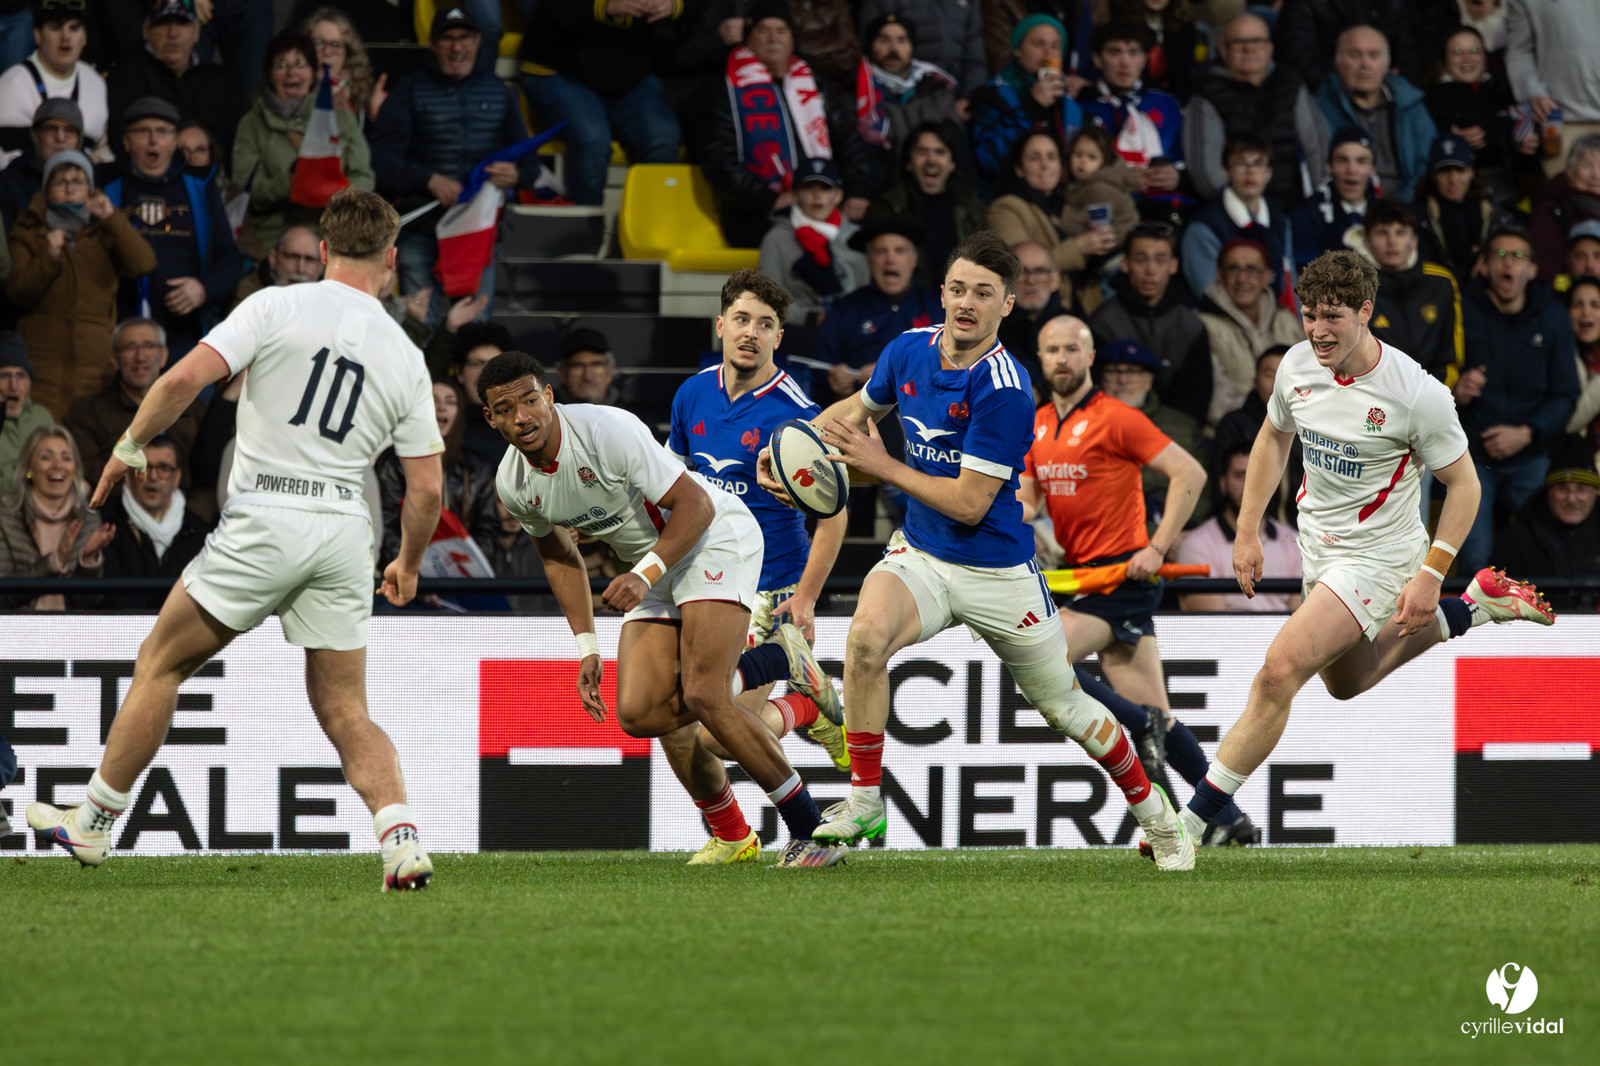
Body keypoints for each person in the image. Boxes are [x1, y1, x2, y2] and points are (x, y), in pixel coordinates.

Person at [26, 188, 447, 891]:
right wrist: (406, 562)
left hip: (267, 518)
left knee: (160, 661)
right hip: (346, 529)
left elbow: (187, 377)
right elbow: (427, 490)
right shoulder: (406, 353)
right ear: (392, 258)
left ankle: (94, 822)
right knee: (346, 708)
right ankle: (399, 835)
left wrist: (130, 445)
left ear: (322, 249)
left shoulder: (275, 304)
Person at [767, 232, 1195, 869]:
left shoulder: (1007, 388)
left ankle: (1159, 817)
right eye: (958, 289)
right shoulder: (905, 351)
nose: (967, 302)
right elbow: (850, 415)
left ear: (1007, 306)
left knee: (1065, 707)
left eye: (984, 294)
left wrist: (881, 464)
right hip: (923, 555)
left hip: (998, 571)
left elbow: (969, 503)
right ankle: (864, 799)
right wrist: (791, 449)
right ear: (941, 293)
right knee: (863, 641)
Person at [1172, 250, 1556, 862]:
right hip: (1319, 551)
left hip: (1381, 557)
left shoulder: (1416, 393)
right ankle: (1472, 610)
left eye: (1332, 317)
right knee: (1346, 684)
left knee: (1278, 672)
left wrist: (1430, 574)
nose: (1317, 330)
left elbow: (1466, 486)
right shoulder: (1297, 365)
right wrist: (1247, 529)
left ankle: (1189, 828)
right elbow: (1273, 437)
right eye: (1309, 315)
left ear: (1365, 313)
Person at [484, 346, 849, 869]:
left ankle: (812, 833)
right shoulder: (513, 484)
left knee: (706, 697)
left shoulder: (606, 430)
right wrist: (586, 646)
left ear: (549, 396)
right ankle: (778, 662)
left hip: (713, 538)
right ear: (490, 417)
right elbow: (558, 557)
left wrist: (642, 574)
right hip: (652, 565)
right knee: (639, 714)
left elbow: (696, 505)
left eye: (528, 400)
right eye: (504, 408)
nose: (521, 417)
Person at [1019, 314, 1261, 846]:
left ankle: (1143, 731)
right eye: (1051, 350)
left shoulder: (1117, 417)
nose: (1061, 358)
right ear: (1041, 358)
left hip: (1123, 576)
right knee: (1163, 722)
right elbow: (1028, 501)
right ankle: (1227, 822)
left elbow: (1190, 473)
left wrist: (1156, 545)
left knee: (1039, 664)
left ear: (1089, 358)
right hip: (1089, 578)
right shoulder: (1036, 423)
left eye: (1071, 349)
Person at [663, 270, 851, 862]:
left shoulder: (798, 416)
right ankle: (733, 835)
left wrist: (808, 598)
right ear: (720, 325)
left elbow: (836, 514)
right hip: (701, 580)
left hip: (769, 587)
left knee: (716, 735)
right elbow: (671, 486)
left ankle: (800, 701)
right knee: (670, 724)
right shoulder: (691, 393)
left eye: (765, 324)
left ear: (779, 338)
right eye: (741, 320)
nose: (751, 332)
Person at [367, 6, 539, 326]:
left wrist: (515, 175)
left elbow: (529, 165)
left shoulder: (499, 93)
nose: (457, 47)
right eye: (448, 38)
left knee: (475, 325)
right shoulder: (409, 90)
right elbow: (380, 161)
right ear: (432, 43)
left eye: (464, 38)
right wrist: (428, 179)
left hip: (477, 232)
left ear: (478, 42)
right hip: (421, 230)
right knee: (419, 324)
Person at [688, 0, 873, 248]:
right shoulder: (724, 89)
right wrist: (769, 199)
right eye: (763, 31)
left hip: (821, 201)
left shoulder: (812, 82)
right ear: (748, 39)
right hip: (758, 212)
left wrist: (858, 189)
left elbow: (847, 141)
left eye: (781, 30)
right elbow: (719, 159)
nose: (773, 38)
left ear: (792, 39)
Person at [1454, 225, 1580, 574]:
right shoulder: (1462, 307)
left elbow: (1566, 393)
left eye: (1520, 256)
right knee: (1474, 560)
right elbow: (1428, 373)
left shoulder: (1552, 315)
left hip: (1531, 453)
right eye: (1500, 255)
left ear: (1534, 270)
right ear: (1485, 266)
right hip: (1472, 456)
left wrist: (1527, 432)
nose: (1510, 263)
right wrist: (1454, 389)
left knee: (1542, 554)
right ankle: (1473, 629)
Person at [5, 149, 158, 417]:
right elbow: (17, 293)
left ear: (89, 189)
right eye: (60, 182)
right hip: (43, 366)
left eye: (77, 182)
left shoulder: (104, 231)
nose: (68, 189)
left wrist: (111, 216)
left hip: (97, 367)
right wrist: (48, 258)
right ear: (46, 189)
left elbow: (143, 263)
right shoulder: (27, 232)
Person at [106, 96, 243, 359]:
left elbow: (230, 258)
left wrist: (204, 288)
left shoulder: (200, 186)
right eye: (143, 132)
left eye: (163, 132)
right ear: (126, 142)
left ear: (174, 141)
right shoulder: (105, 182)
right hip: (118, 335)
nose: (153, 140)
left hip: (184, 336)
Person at [517, 0, 684, 208]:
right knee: (591, 139)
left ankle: (652, 225)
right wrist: (604, 6)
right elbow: (554, 7)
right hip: (557, 68)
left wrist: (673, 4)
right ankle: (586, 227)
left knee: (662, 137)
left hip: (630, 72)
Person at [232, 31, 375, 255]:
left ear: (312, 73)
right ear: (270, 74)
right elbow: (244, 188)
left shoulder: (340, 119)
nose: (291, 72)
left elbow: (364, 176)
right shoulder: (251, 123)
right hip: (273, 240)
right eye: (281, 64)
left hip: (334, 236)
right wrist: (294, 182)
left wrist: (335, 193)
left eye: (300, 64)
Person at [1182, 12, 1329, 206]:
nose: (1249, 48)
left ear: (1270, 49)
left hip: (1293, 206)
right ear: (1223, 50)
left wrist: (1315, 205)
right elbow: (1205, 174)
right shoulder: (1206, 95)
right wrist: (1244, 210)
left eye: (1257, 41)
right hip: (1232, 212)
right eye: (1238, 42)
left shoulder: (1290, 83)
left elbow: (1317, 149)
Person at [1087, 222, 1213, 426]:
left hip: (1174, 432)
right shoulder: (1102, 322)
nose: (1150, 270)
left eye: (1160, 260)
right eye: (1141, 259)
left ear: (1174, 265)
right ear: (1125, 264)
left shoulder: (1191, 326)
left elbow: (1195, 401)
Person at [985, 131, 1121, 307]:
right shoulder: (1005, 208)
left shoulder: (1068, 205)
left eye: (1051, 157)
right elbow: (1018, 269)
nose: (1045, 165)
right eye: (1035, 158)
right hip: (1044, 311)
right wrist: (1079, 248)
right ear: (1019, 169)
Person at [62, 317, 204, 484]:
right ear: (115, 360)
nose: (140, 357)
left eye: (149, 346)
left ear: (164, 356)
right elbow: (84, 472)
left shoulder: (191, 407)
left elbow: (206, 472)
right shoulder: (87, 412)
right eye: (130, 348)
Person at [376, 377, 497, 565]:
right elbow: (386, 528)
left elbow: (488, 532)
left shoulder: (477, 467)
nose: (441, 407)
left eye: (451, 401)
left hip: (465, 580)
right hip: (408, 579)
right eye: (432, 400)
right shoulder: (394, 463)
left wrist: (460, 573)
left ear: (459, 412)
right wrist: (417, 573)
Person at [816, 217, 942, 396]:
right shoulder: (843, 311)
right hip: (859, 413)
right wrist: (836, 388)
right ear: (869, 260)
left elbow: (960, 369)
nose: (890, 259)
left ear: (913, 260)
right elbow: (819, 377)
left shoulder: (940, 309)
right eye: (881, 251)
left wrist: (894, 375)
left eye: (899, 251)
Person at [1312, 27, 1438, 206]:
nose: (1365, 64)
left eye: (1374, 56)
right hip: (1346, 207)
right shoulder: (1320, 108)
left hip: (1409, 206)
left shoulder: (1411, 104)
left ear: (1387, 64)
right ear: (1337, 62)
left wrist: (1405, 204)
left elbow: (1426, 162)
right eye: (1355, 56)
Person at [1176, 439, 1303, 613]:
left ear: (1273, 483)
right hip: (1227, 639)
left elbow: (1301, 619)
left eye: (1257, 475)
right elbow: (1212, 628)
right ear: (1223, 483)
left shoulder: (1296, 542)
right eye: (1240, 475)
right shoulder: (1196, 546)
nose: (1249, 485)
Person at [105, 0, 242, 159]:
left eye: (182, 23)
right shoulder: (124, 78)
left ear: (196, 33)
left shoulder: (219, 80)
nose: (173, 33)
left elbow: (237, 147)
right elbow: (121, 143)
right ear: (146, 31)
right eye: (163, 23)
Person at [0, 422, 114, 610]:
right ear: (28, 468)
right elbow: (3, 597)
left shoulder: (88, 518)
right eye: (46, 457)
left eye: (66, 458)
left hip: (70, 633)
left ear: (75, 469)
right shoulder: (5, 515)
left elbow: (90, 601)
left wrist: (87, 562)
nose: (58, 465)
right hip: (15, 632)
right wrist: (53, 563)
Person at [968, 13, 1083, 194]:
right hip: (1008, 200)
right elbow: (990, 160)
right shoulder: (991, 96)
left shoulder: (1070, 104)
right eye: (1039, 44)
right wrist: (1031, 108)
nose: (1048, 52)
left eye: (1055, 46)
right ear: (1017, 50)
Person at [863, 120, 987, 287]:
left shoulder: (971, 206)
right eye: (922, 152)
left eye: (940, 152)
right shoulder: (887, 206)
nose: (931, 159)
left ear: (952, 164)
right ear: (909, 163)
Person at [1422, 24, 1534, 206]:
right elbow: (1418, 146)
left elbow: (1523, 161)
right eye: (1457, 52)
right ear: (1444, 59)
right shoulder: (1429, 99)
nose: (1467, 58)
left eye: (1474, 50)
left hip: (1502, 188)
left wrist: (1520, 145)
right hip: (1449, 188)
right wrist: (1449, 137)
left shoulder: (1503, 96)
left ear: (1485, 57)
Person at [95, 433, 209, 610]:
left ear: (177, 477)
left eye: (163, 468)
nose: (153, 476)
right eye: (143, 467)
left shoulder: (200, 534)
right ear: (128, 475)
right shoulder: (104, 525)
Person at [1198, 238, 1304, 426]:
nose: (1242, 278)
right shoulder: (1202, 325)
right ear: (1219, 275)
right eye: (1233, 268)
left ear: (1267, 276)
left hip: (1293, 429)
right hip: (1233, 432)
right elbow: (1215, 405)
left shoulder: (1286, 320)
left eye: (1252, 269)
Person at [1491, 435, 1600, 611]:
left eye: (1581, 489)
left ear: (1595, 491)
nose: (1572, 499)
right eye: (1561, 489)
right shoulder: (1515, 541)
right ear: (1548, 492)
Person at [1077, 20, 1183, 199]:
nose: (1125, 63)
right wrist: (1118, 178)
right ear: (1097, 58)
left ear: (1145, 58)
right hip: (1104, 207)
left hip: (1164, 208)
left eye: (1134, 53)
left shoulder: (1166, 104)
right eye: (1114, 52)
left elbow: (1186, 161)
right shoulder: (1080, 108)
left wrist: (1178, 176)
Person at [853, 12, 961, 188]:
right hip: (885, 189)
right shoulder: (857, 95)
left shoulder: (935, 88)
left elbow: (957, 148)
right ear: (870, 45)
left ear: (912, 47)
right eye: (884, 40)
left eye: (902, 40)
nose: (893, 48)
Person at [1180, 133, 1294, 300]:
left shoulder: (1280, 220)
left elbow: (1290, 286)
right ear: (1226, 171)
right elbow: (1210, 295)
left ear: (1269, 173)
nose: (1250, 172)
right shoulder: (1203, 226)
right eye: (1240, 163)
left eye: (1258, 164)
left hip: (1276, 319)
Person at [757, 157, 869, 324]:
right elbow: (765, 300)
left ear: (838, 196)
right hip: (799, 332)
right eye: (808, 188)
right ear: (795, 194)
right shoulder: (776, 238)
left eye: (825, 188)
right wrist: (811, 319)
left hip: (854, 328)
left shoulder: (857, 237)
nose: (817, 195)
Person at [1366, 199, 1464, 386]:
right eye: (1382, 233)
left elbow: (1451, 356)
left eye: (1401, 233)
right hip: (1379, 400)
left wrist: (1434, 397)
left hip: (1434, 396)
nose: (1392, 242)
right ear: (1367, 240)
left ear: (1414, 239)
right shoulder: (1355, 285)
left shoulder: (1442, 281)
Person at [0, 0, 109, 161]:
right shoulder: (11, 85)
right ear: (38, 35)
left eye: (74, 28)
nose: (66, 37)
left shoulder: (95, 83)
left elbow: (102, 147)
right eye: (56, 27)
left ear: (84, 37)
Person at [1505, 0, 1600, 176]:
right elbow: (1519, 52)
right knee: (1568, 202)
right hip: (1562, 123)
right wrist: (1532, 92)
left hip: (1563, 123)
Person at [1413, 135, 1510, 283]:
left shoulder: (1497, 216)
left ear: (1472, 172)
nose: (1453, 179)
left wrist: (1488, 257)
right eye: (1444, 171)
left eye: (1460, 170)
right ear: (1432, 175)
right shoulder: (1416, 218)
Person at [857, 0, 986, 106]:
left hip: (953, 99)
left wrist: (969, 97)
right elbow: (875, 46)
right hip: (899, 97)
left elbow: (975, 58)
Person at [1276, 0, 1423, 93]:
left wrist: (1385, 88)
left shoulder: (1393, 3)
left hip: (1387, 96)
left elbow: (1409, 61)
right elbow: (1299, 60)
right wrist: (1354, 83)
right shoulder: (1305, 4)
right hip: (1327, 96)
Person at [1289, 128, 1378, 268]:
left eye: (1361, 161)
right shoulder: (1307, 214)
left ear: (1373, 168)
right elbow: (1305, 274)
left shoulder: (1386, 214)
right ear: (1329, 166)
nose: (1351, 170)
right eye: (1342, 160)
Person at [0, 95, 82, 225]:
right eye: (51, 129)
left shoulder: (92, 181)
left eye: (69, 130)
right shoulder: (8, 184)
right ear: (36, 136)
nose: (60, 138)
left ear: (79, 141)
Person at [1529, 135, 1600, 282]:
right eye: (1587, 165)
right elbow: (1546, 271)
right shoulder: (1551, 208)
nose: (1596, 175)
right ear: (1569, 172)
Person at [996, 239, 1067, 384]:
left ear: (1055, 280)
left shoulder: (1076, 329)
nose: (1031, 280)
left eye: (1040, 271)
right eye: (1021, 272)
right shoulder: (988, 331)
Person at [298, 6, 382, 126]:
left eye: (335, 44)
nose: (327, 52)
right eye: (318, 42)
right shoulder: (289, 93)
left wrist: (376, 118)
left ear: (347, 54)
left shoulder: (358, 98)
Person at [0, 335, 52, 481]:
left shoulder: (42, 416)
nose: (14, 386)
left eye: (21, 376)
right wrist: (30, 477)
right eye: (4, 376)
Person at [232, 223, 323, 307]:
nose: (301, 269)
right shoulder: (248, 297)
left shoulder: (332, 303)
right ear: (273, 258)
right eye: (292, 257)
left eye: (309, 259)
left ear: (320, 267)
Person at [1566, 274, 1600, 444]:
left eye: (1595, 305)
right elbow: (1568, 423)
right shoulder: (1560, 357)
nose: (1586, 312)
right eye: (1577, 305)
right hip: (1573, 462)